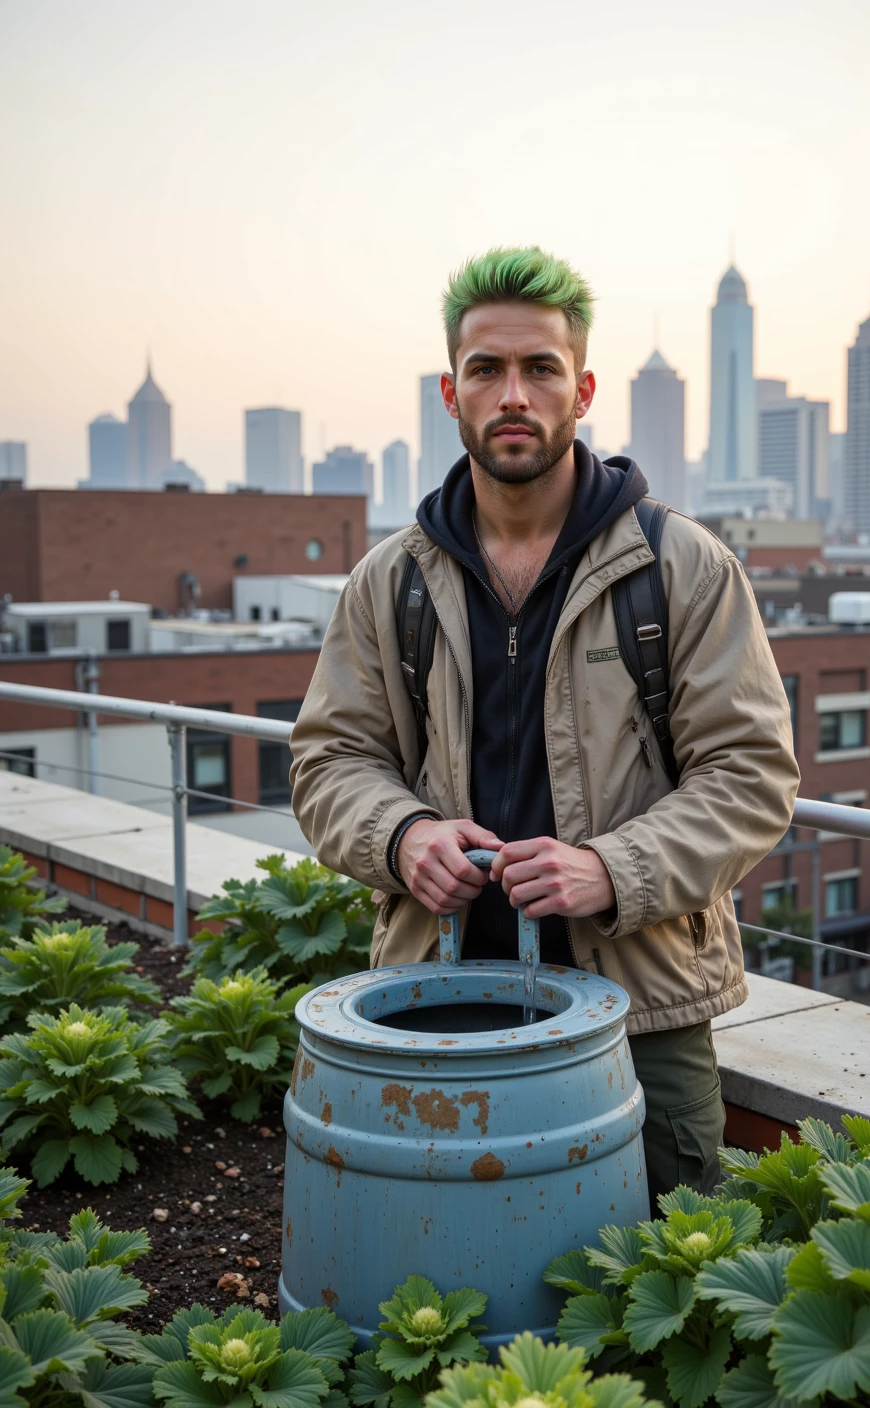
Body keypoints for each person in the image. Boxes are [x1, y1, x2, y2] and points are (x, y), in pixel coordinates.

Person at [290, 246, 799, 1203]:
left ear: (584, 388)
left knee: (659, 1278)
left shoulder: (682, 569)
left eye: (539, 369)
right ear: (451, 391)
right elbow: (330, 761)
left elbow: (752, 777)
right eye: (486, 369)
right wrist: (403, 838)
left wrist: (613, 869)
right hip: (438, 999)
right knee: (440, 1270)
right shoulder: (389, 582)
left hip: (642, 1013)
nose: (512, 393)